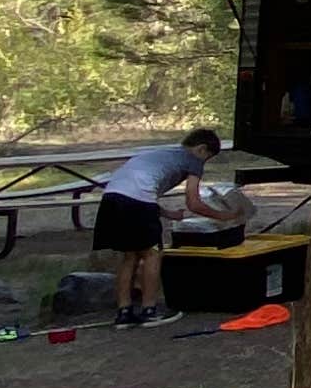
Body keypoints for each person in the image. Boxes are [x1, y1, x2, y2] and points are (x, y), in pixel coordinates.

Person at [94, 126, 225, 330]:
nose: (204, 162)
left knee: (130, 256)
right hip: (136, 202)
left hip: (111, 198)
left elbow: (139, 190)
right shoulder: (193, 160)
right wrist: (224, 216)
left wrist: (168, 214)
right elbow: (193, 202)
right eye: (207, 157)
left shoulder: (163, 153)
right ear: (201, 149)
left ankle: (124, 313)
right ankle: (149, 311)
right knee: (153, 254)